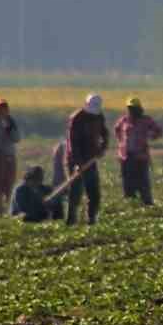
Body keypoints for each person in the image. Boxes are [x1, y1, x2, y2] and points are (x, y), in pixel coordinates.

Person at [64, 93, 110, 226]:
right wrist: (78, 162)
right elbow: (73, 143)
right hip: (75, 159)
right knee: (76, 191)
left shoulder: (99, 117)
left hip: (91, 158)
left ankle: (92, 220)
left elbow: (105, 134)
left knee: (94, 191)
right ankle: (71, 220)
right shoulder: (76, 118)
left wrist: (102, 148)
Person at [114, 96, 163, 206]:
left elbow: (158, 131)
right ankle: (130, 204)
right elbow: (117, 129)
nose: (131, 110)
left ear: (139, 108)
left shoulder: (146, 120)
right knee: (128, 184)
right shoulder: (124, 120)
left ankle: (147, 204)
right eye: (130, 108)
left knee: (143, 183)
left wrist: (150, 136)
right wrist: (121, 143)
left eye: (133, 108)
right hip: (126, 157)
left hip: (140, 157)